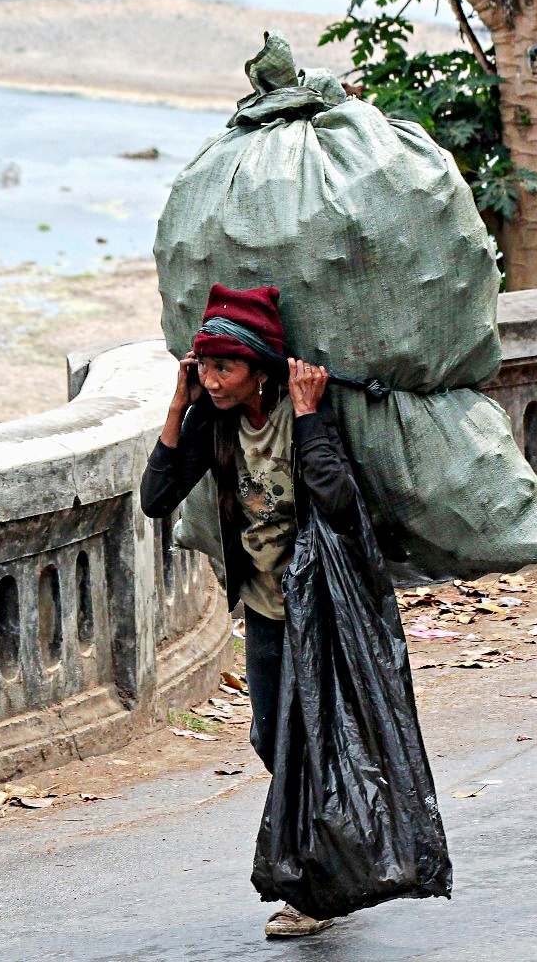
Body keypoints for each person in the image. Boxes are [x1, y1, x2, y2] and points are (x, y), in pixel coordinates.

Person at [140, 283, 361, 938]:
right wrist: (178, 405)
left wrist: (313, 417)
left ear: (260, 369)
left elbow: (340, 502)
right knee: (273, 739)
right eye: (203, 367)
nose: (211, 379)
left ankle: (313, 889)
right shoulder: (213, 421)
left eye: (224, 368)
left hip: (320, 611)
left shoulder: (304, 416)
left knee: (303, 744)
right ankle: (334, 856)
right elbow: (156, 498)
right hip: (265, 612)